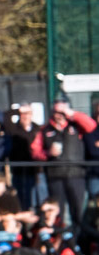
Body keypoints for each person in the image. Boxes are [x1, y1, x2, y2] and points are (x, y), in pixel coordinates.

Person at [33, 95, 97, 229]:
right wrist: (48, 153)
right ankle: (59, 240)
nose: (59, 115)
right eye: (57, 112)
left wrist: (71, 113)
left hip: (76, 175)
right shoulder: (45, 130)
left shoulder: (75, 126)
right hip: (55, 176)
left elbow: (91, 125)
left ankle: (78, 241)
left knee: (78, 211)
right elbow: (35, 152)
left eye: (62, 112)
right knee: (58, 212)